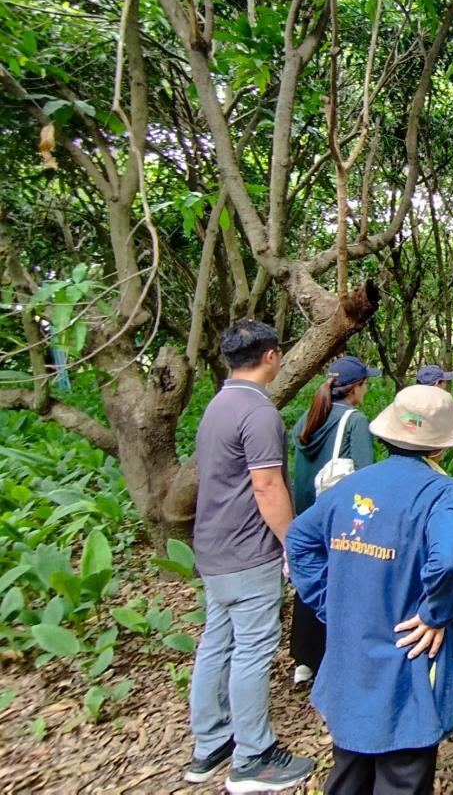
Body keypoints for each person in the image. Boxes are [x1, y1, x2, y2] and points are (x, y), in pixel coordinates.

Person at [286, 385, 453, 795]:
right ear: (441, 447)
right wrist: (434, 613)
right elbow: (450, 559)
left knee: (349, 771)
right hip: (407, 669)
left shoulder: (354, 485)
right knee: (402, 773)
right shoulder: (442, 494)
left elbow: (299, 538)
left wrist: (328, 601)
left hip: (350, 666)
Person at [185, 320, 315, 793]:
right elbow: (266, 485)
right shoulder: (259, 414)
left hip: (213, 549)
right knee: (254, 648)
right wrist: (292, 543)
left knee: (216, 643)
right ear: (272, 357)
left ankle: (210, 744)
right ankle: (253, 757)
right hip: (247, 551)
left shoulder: (217, 406)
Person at [289, 355, 380, 686]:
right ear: (355, 388)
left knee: (310, 582)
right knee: (342, 583)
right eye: (365, 384)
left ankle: (304, 660)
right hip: (340, 520)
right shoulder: (354, 420)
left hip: (307, 516)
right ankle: (337, 656)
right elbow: (366, 475)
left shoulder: (307, 417)